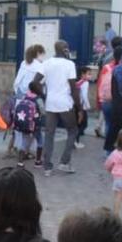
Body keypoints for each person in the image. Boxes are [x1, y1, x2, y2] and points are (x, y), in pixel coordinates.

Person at [33, 40, 82, 176]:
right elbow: (73, 88)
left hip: (51, 103)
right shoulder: (70, 64)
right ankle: (64, 162)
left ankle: (47, 167)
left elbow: (34, 82)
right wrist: (80, 108)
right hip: (65, 103)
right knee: (72, 130)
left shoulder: (47, 63)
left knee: (49, 134)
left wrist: (43, 94)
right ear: (65, 49)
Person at [11, 45, 47, 157]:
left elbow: (17, 82)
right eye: (42, 54)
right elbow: (42, 83)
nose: (43, 56)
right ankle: (28, 151)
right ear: (38, 53)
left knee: (20, 124)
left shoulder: (23, 63)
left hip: (20, 99)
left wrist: (20, 95)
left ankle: (19, 148)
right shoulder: (40, 66)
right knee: (32, 125)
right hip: (33, 101)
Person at [96, 46, 122, 139]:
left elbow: (99, 84)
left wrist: (99, 100)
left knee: (108, 123)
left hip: (106, 100)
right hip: (118, 102)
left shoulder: (106, 67)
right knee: (118, 126)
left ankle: (108, 149)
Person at [74, 66, 92, 148]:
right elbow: (84, 96)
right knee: (83, 125)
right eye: (88, 74)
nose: (90, 76)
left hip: (75, 106)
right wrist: (88, 105)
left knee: (78, 124)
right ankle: (75, 141)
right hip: (82, 107)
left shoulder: (78, 82)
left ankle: (74, 140)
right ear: (82, 74)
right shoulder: (85, 83)